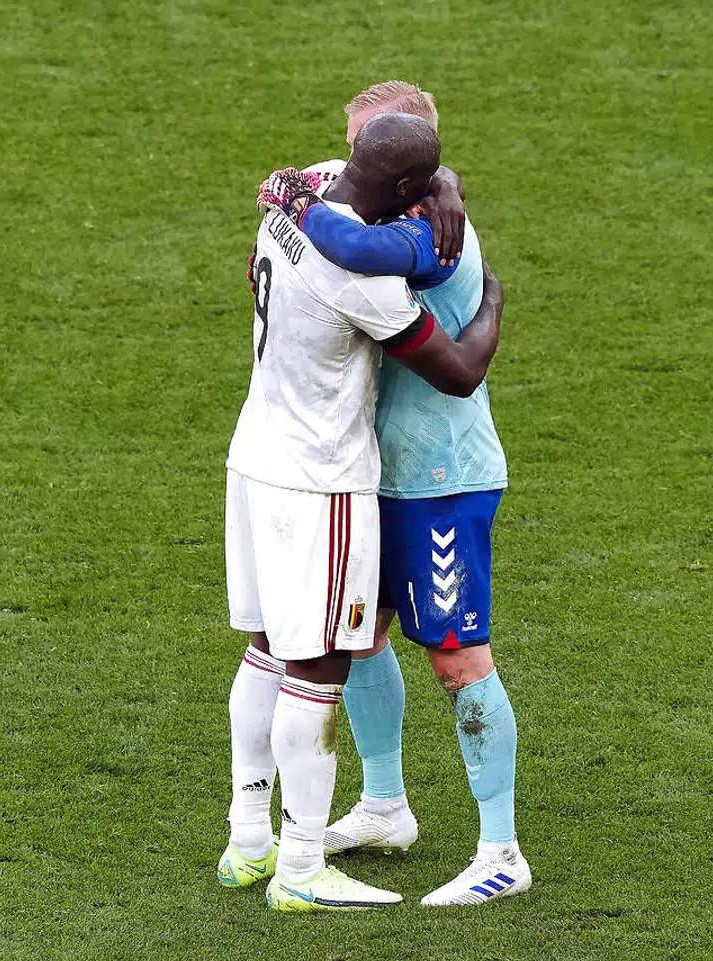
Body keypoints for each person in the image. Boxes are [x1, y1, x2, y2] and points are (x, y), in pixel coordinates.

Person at [218, 112, 507, 912]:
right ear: (412, 194)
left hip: (254, 458)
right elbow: (455, 372)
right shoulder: (366, 279)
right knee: (318, 666)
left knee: (265, 650)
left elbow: (333, 199)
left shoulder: (296, 196)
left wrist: (437, 182)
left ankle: (249, 840)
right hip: (322, 481)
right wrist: (492, 302)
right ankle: (302, 867)